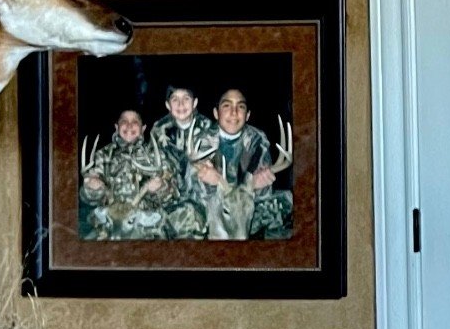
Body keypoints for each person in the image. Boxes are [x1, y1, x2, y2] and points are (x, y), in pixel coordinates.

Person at [195, 87, 293, 238]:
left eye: (240, 107)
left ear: (247, 115)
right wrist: (208, 180)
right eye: (227, 106)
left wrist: (261, 183)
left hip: (245, 206)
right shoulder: (202, 141)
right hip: (214, 207)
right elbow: (193, 189)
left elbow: (262, 193)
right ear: (216, 113)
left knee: (288, 201)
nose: (234, 112)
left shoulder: (257, 139)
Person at [79, 108, 172, 240]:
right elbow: (88, 198)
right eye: (124, 121)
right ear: (116, 127)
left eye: (135, 122)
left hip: (144, 223)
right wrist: (91, 188)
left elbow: (172, 195)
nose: (129, 125)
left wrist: (161, 187)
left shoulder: (156, 156)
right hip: (110, 223)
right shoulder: (103, 155)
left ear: (143, 128)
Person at [150, 83, 220, 236]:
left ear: (194, 103)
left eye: (186, 99)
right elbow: (154, 161)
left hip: (199, 194)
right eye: (175, 99)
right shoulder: (158, 129)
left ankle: (204, 219)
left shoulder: (208, 127)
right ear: (168, 105)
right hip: (171, 192)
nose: (181, 104)